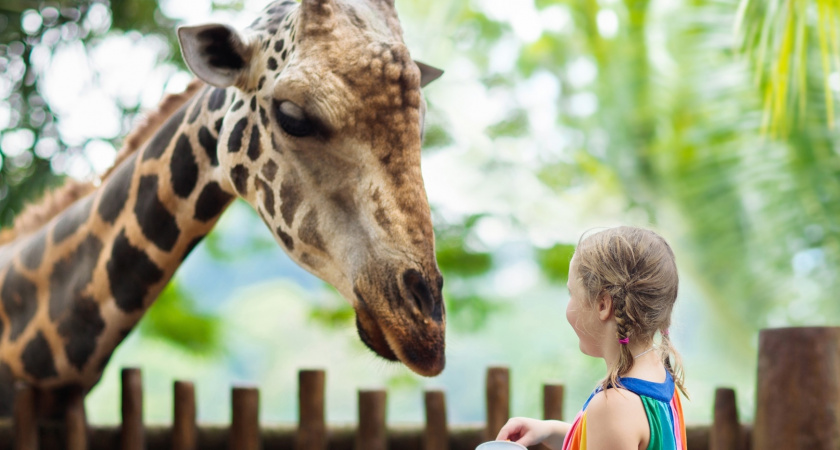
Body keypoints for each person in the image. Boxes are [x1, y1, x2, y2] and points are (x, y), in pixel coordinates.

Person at [496, 226, 688, 450]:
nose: (568, 305)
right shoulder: (659, 376)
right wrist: (552, 430)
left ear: (603, 305)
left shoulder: (613, 406)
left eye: (572, 294)